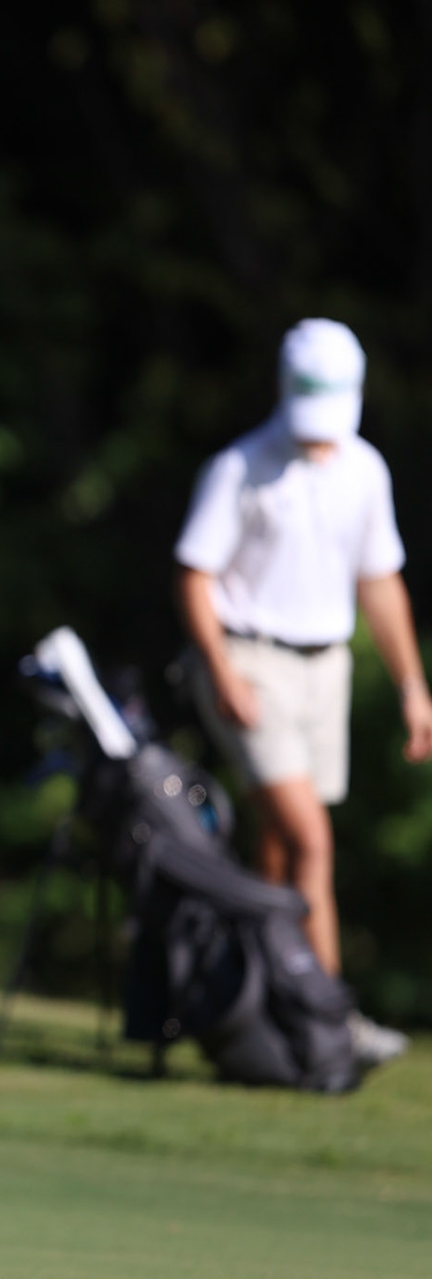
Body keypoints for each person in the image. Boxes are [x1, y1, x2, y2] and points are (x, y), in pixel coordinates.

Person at [174, 317, 432, 1069]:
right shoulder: (241, 467)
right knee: (312, 839)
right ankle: (330, 1019)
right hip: (251, 663)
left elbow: (378, 582)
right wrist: (221, 673)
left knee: (283, 848)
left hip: (327, 668)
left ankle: (256, 1004)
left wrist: (413, 686)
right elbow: (194, 576)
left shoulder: (365, 472)